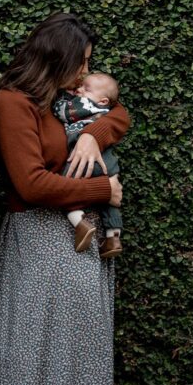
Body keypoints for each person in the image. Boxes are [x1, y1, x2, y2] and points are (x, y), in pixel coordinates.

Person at [0, 12, 129, 385]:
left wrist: (92, 137)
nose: (86, 71)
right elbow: (30, 184)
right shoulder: (13, 102)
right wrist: (103, 190)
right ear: (57, 59)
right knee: (28, 353)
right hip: (37, 241)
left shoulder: (69, 98)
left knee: (80, 355)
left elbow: (119, 112)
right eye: (81, 62)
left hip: (81, 247)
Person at [52, 71, 125, 258]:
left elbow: (63, 111)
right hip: (108, 163)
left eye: (86, 88)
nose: (79, 90)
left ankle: (80, 223)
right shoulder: (105, 110)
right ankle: (113, 237)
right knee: (109, 202)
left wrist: (64, 96)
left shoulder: (84, 104)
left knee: (66, 187)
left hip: (84, 161)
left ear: (102, 101)